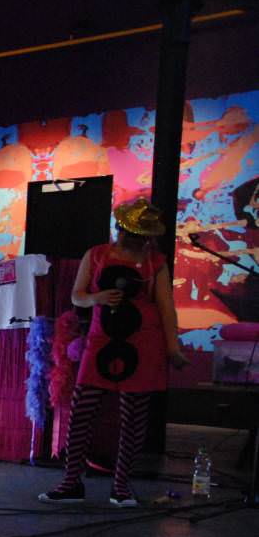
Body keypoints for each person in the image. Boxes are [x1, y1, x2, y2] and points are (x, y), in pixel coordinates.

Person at [39, 198, 189, 507]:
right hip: (101, 340)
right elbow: (77, 296)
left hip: (143, 344)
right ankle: (71, 483)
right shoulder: (96, 255)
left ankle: (121, 487)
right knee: (82, 411)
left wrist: (173, 348)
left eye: (141, 236)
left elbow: (166, 308)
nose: (135, 241)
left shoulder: (155, 262)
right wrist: (97, 298)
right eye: (131, 234)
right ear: (120, 229)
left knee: (133, 418)